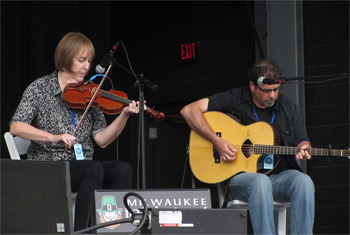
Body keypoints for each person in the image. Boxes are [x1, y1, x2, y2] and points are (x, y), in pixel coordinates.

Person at [9, 32, 140, 231]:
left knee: (122, 169)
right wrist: (53, 137)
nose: (87, 66)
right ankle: (83, 231)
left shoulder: (91, 93)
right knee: (92, 168)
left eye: (89, 61)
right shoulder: (40, 88)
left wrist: (124, 115)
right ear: (66, 57)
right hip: (50, 168)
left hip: (83, 168)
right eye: (81, 60)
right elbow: (16, 127)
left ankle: (113, 230)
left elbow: (102, 139)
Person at [180, 58, 315, 234]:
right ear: (252, 86)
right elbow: (189, 111)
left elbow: (302, 140)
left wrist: (304, 147)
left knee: (303, 181)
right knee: (261, 181)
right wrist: (217, 141)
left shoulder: (288, 106)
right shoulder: (235, 98)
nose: (273, 95)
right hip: (243, 179)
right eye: (267, 91)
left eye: (276, 90)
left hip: (279, 177)